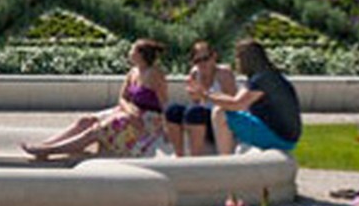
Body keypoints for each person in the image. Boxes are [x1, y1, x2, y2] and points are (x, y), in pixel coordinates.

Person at [22, 39, 168, 161]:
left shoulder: (155, 74)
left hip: (147, 118)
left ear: (141, 55)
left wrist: (166, 128)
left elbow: (163, 102)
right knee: (86, 120)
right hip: (128, 111)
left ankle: (50, 150)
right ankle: (45, 144)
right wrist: (129, 109)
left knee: (96, 130)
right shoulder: (133, 72)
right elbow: (122, 98)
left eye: (132, 50)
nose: (129, 53)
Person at [206, 39, 302, 153]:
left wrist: (205, 95)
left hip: (278, 137)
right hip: (286, 136)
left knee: (220, 113)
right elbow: (236, 101)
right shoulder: (269, 75)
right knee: (234, 113)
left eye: (238, 57)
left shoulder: (261, 80)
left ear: (246, 59)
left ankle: (225, 162)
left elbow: (236, 104)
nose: (236, 62)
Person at [166, 40, 235, 158]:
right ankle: (179, 155)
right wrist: (195, 96)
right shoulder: (195, 73)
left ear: (214, 57)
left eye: (205, 58)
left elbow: (232, 104)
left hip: (220, 121)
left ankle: (196, 158)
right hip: (202, 117)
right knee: (173, 110)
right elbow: (197, 101)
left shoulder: (224, 74)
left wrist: (205, 94)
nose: (202, 64)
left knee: (194, 112)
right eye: (197, 61)